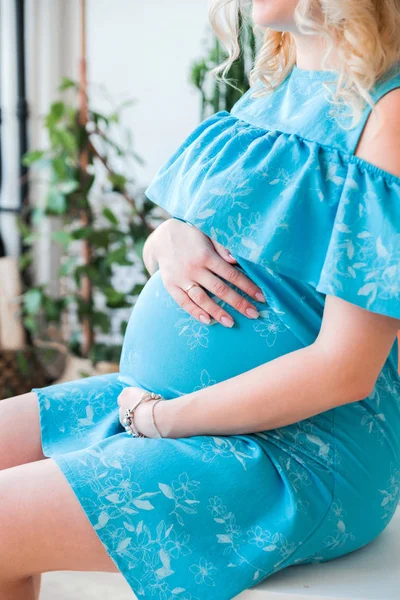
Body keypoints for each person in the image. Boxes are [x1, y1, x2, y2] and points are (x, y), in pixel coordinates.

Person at [1, 0, 400, 598]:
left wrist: (159, 421)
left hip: (297, 448)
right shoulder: (272, 92)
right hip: (165, 406)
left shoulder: (388, 113)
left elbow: (345, 369)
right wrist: (168, 238)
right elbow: (189, 253)